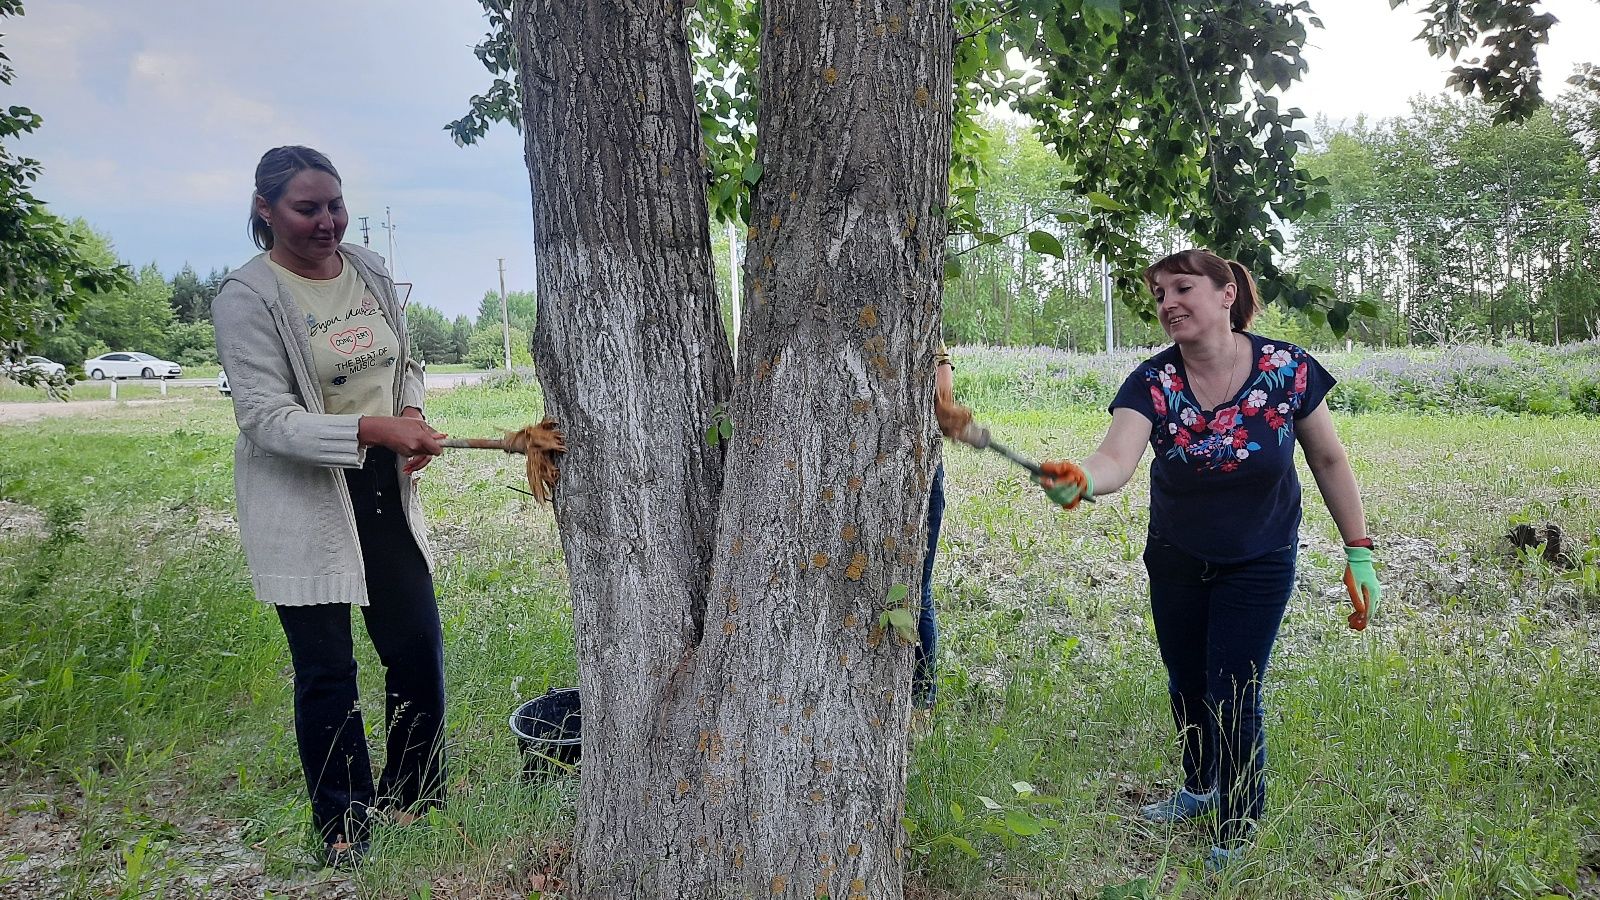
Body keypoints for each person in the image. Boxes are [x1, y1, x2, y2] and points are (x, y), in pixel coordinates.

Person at [1033, 249, 1381, 871]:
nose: (1168, 303)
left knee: (1235, 690)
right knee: (1188, 682)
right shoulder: (1152, 381)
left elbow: (1329, 460)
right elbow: (1117, 458)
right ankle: (1200, 785)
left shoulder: (1287, 370)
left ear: (1226, 295)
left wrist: (1359, 551)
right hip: (1176, 555)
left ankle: (1239, 819)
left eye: (1182, 288)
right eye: (1160, 294)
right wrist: (1084, 475)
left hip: (1260, 557)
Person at [213, 146, 450, 869]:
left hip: (383, 487)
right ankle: (343, 826)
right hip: (305, 496)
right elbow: (264, 418)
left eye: (335, 205)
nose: (327, 223)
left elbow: (403, 358)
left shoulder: (370, 270)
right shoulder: (247, 297)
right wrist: (372, 429)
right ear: (265, 210)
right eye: (306, 209)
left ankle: (414, 800)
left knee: (415, 649)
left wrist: (408, 408)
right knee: (327, 671)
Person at [915, 345, 956, 709]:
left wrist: (943, 404)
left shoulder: (927, 331)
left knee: (919, 589)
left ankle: (923, 700)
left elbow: (943, 374)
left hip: (921, 471)